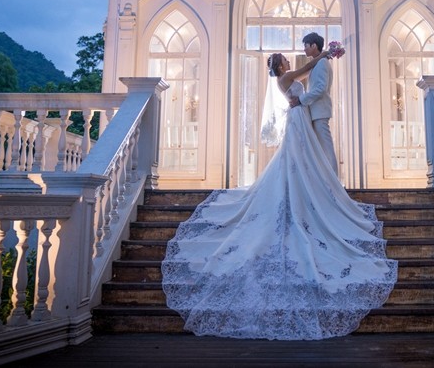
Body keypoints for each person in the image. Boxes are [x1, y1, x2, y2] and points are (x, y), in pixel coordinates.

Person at [160, 48, 398, 340]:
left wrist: (324, 58)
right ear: (280, 65)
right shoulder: (286, 77)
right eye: (284, 58)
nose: (288, 59)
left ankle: (308, 187)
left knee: (300, 159)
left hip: (299, 119)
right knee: (296, 158)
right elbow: (307, 70)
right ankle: (303, 191)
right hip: (297, 119)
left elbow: (308, 76)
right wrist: (325, 54)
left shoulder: (285, 78)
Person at [290, 32, 337, 175]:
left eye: (306, 46)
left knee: (326, 147)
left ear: (314, 45)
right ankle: (326, 179)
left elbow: (320, 89)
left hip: (320, 111)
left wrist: (301, 100)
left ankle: (334, 182)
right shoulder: (319, 62)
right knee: (321, 148)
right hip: (316, 111)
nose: (304, 49)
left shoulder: (322, 63)